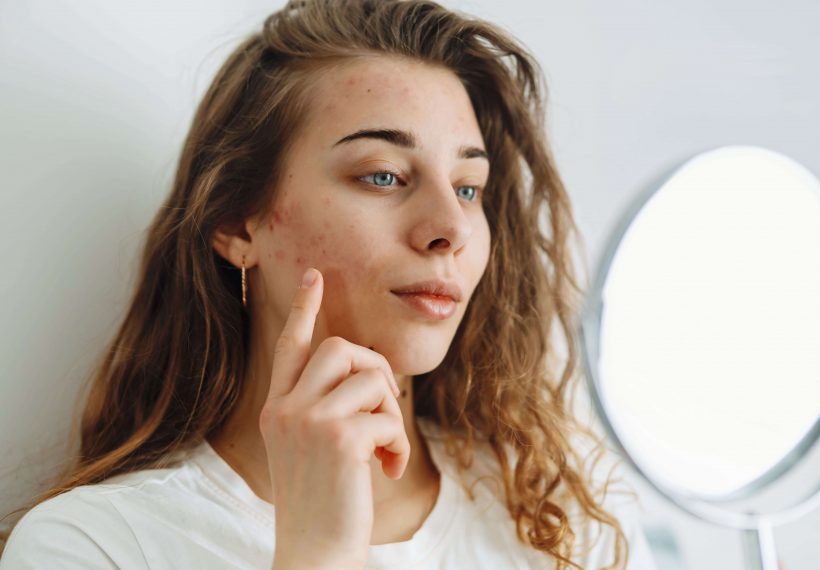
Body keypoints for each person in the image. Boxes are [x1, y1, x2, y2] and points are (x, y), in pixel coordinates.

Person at [0, 0, 657, 568]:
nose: (449, 228)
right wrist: (318, 553)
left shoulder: (569, 518)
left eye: (468, 188)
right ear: (236, 222)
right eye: (383, 175)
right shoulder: (93, 548)